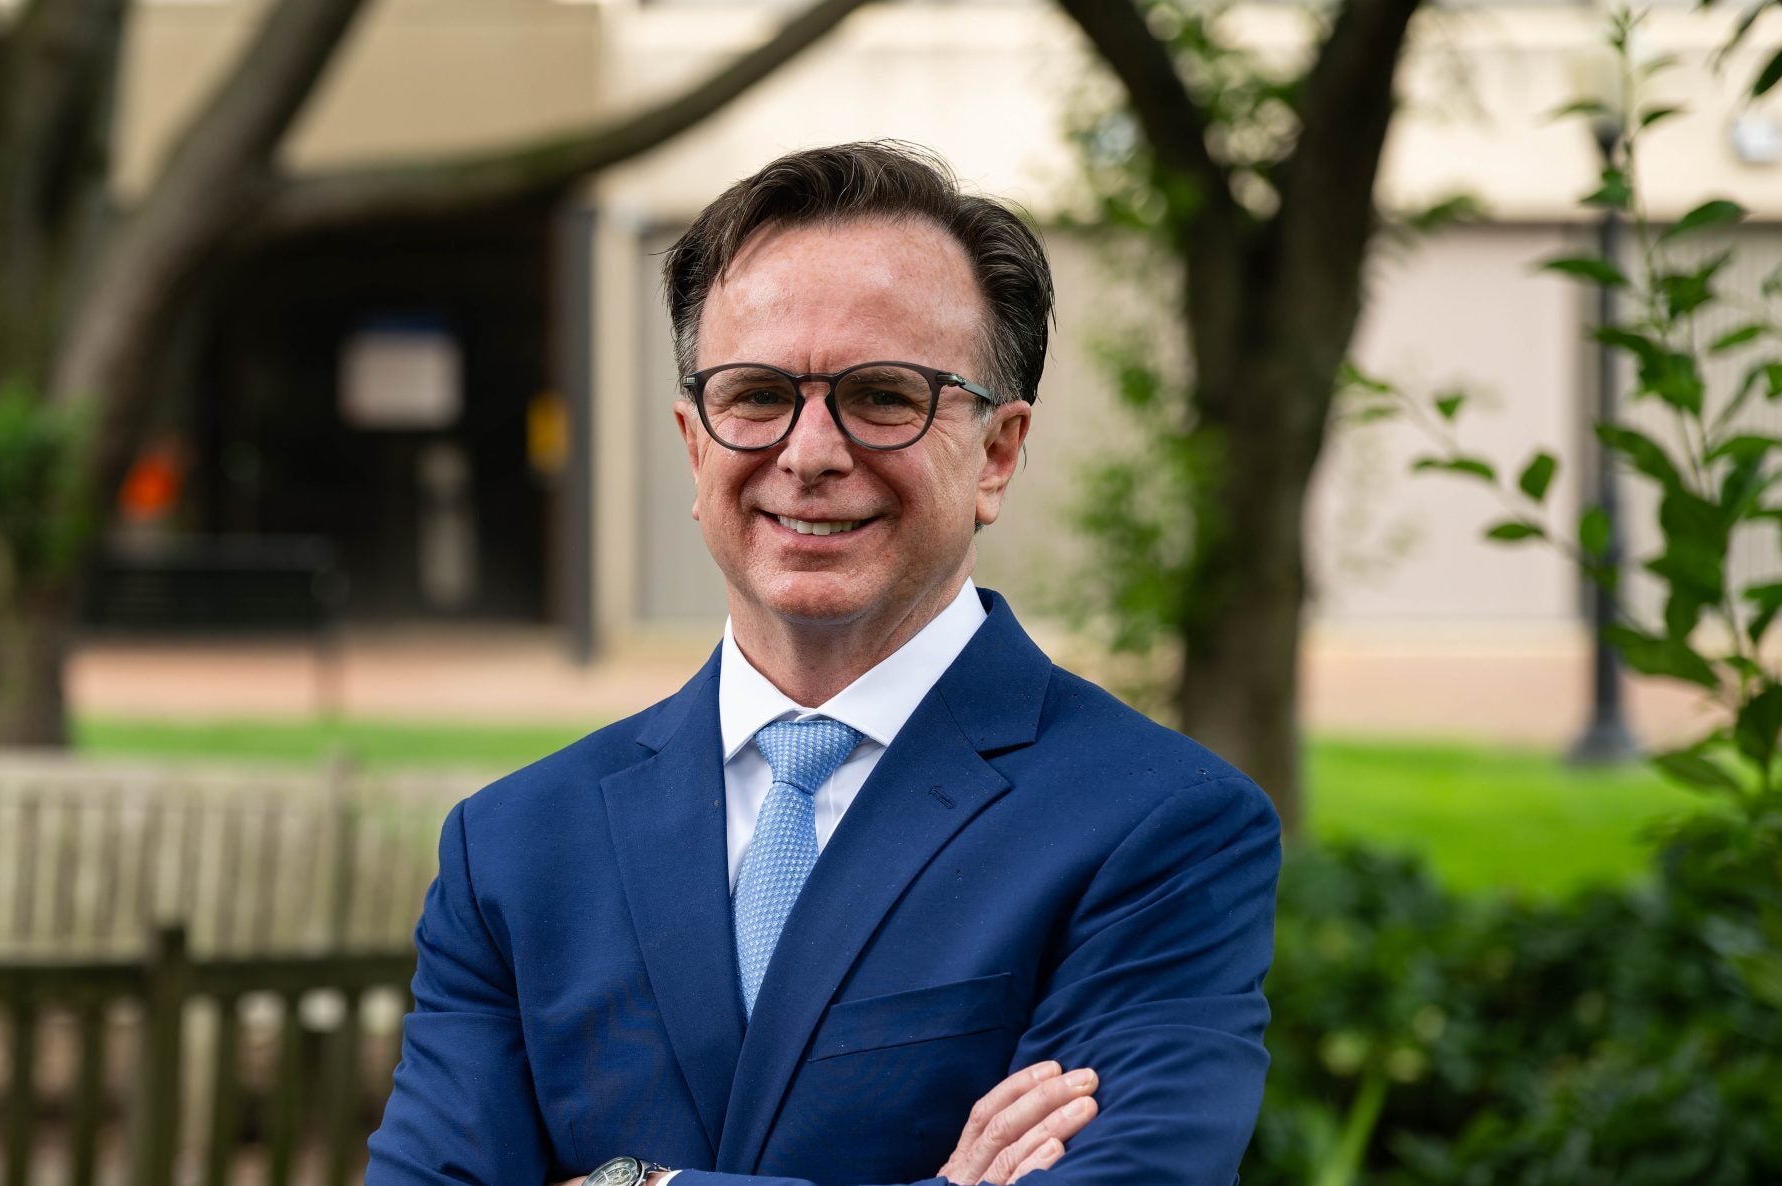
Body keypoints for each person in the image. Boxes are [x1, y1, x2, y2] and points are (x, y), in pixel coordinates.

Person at [366, 142, 1281, 1186]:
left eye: (883, 394)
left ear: (995, 452)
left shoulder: (1161, 827)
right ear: (693, 443)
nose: (808, 452)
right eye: (755, 393)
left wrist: (635, 1184)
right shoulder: (514, 849)